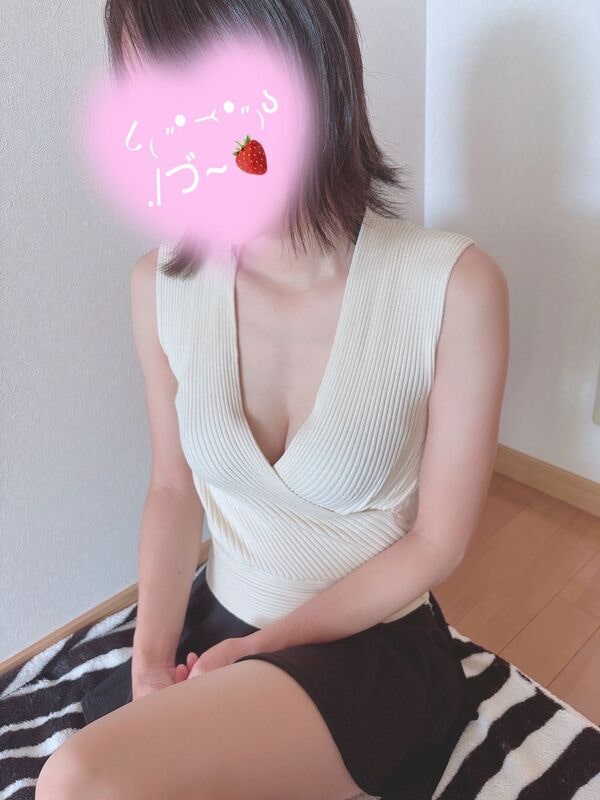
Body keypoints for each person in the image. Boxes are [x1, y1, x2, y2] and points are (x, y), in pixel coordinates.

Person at [36, 2, 509, 799]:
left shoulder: (455, 288)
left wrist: (268, 647)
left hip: (366, 648)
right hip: (217, 629)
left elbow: (437, 543)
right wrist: (149, 662)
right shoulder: (159, 286)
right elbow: (172, 487)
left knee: (82, 778)